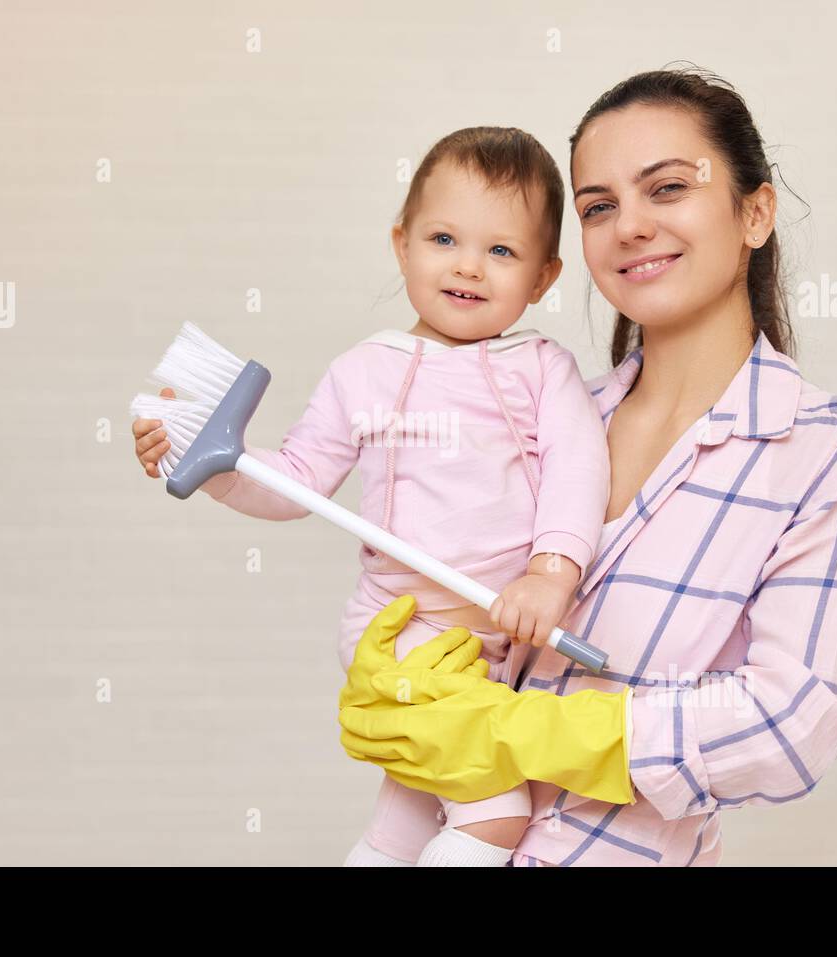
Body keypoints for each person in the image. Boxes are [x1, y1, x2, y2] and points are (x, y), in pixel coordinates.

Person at [338, 66, 837, 866]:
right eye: (599, 206)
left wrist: (535, 732)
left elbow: (793, 720)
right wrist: (399, 677)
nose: (629, 226)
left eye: (667, 188)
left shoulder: (826, 447)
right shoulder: (545, 421)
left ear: (755, 211)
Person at [132, 127, 613, 865]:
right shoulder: (366, 371)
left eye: (501, 251)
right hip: (401, 635)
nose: (467, 267)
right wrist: (218, 468)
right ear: (402, 244)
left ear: (544, 277)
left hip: (488, 646)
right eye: (444, 238)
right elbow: (292, 480)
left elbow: (580, 467)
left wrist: (553, 570)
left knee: (405, 826)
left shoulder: (542, 369)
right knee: (495, 814)